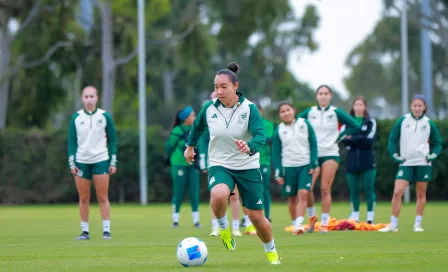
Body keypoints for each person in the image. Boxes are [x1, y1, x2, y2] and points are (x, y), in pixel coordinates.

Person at [184, 62, 280, 264]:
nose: (219, 91)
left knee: (256, 218)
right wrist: (190, 146)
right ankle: (223, 228)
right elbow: (197, 127)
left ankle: (271, 252)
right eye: (216, 87)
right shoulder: (209, 108)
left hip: (247, 167)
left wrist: (250, 146)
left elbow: (260, 135)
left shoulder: (250, 108)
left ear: (235, 86)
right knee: (218, 195)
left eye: (224, 87)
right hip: (220, 164)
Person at [298, 84, 360, 233]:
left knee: (325, 188)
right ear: (317, 96)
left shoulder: (335, 112)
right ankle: (312, 217)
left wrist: (340, 136)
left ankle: (325, 222)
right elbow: (296, 124)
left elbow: (355, 125)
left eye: (326, 93)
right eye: (320, 93)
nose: (323, 96)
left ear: (330, 96)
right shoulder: (310, 112)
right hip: (312, 155)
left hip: (330, 153)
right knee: (307, 189)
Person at [379, 94, 442, 233]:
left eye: (420, 105)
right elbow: (392, 139)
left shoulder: (428, 123)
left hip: (423, 163)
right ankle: (393, 224)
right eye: (415, 105)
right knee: (397, 192)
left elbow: (438, 143)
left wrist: (433, 155)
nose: (417, 108)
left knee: (421, 194)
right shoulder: (403, 120)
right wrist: (395, 155)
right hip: (406, 163)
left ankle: (417, 224)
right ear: (410, 106)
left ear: (424, 107)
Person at [68, 86, 117, 240]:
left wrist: (113, 161)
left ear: (97, 98)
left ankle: (106, 231)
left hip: (101, 160)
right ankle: (85, 232)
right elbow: (72, 141)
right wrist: (72, 162)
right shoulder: (76, 117)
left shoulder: (104, 116)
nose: (89, 100)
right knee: (84, 198)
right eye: (86, 97)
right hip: (82, 161)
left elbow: (112, 139)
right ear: (82, 99)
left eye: (91, 96)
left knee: (102, 197)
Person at [199, 91, 243, 237]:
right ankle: (216, 227)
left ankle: (235, 227)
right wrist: (203, 161)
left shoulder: (235, 115)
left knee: (234, 195)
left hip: (234, 161)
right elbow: (203, 141)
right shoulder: (209, 118)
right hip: (216, 162)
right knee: (216, 195)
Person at [272, 102, 318, 235]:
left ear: (294, 110)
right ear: (279, 115)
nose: (286, 113)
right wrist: (278, 172)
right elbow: (276, 152)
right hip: (288, 167)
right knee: (291, 198)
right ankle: (295, 224)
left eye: (288, 110)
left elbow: (313, 143)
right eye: (283, 111)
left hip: (305, 165)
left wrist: (313, 162)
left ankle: (299, 224)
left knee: (303, 193)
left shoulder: (304, 124)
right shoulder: (279, 130)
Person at [339, 96, 377, 224]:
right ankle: (355, 215)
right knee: (354, 189)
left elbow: (369, 140)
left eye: (361, 105)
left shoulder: (371, 122)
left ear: (364, 107)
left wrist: (354, 139)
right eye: (356, 105)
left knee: (368, 188)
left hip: (367, 159)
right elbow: (343, 140)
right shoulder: (346, 123)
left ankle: (370, 217)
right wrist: (359, 138)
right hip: (352, 160)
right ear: (353, 107)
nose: (359, 107)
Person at [241, 100, 275, 235]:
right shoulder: (243, 124)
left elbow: (266, 138)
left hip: (263, 161)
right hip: (247, 162)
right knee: (246, 191)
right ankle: (248, 219)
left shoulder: (267, 125)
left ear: (260, 111)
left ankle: (266, 216)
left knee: (264, 189)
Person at [165, 106, 201, 228]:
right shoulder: (177, 131)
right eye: (192, 115)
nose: (194, 117)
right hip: (178, 164)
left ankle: (196, 221)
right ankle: (175, 220)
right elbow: (169, 146)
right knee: (178, 192)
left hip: (192, 165)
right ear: (185, 118)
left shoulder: (195, 129)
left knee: (194, 193)